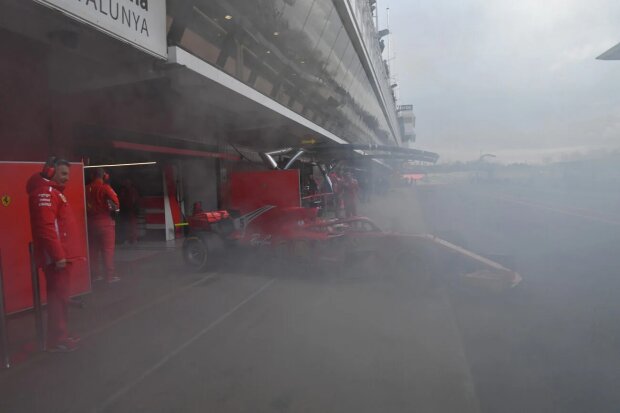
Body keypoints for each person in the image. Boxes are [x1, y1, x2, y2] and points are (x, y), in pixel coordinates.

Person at [27, 157, 82, 352]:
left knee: (60, 297)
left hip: (61, 257)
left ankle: (60, 335)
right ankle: (57, 339)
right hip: (57, 259)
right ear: (51, 171)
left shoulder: (51, 193)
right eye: (64, 173)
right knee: (58, 298)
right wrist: (58, 256)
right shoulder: (47, 193)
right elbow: (46, 228)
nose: (67, 178)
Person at [86, 168, 120, 283]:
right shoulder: (105, 188)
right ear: (105, 176)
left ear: (92, 176)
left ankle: (95, 275)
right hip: (105, 223)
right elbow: (116, 204)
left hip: (90, 223)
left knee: (93, 251)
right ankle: (109, 276)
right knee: (107, 251)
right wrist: (113, 211)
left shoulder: (85, 188)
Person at [118, 178, 140, 244]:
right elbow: (120, 200)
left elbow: (135, 201)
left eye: (127, 183)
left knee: (132, 226)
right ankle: (128, 239)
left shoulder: (133, 191)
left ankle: (134, 239)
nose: (126, 184)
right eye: (125, 183)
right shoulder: (123, 191)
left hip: (131, 211)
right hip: (125, 211)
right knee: (126, 226)